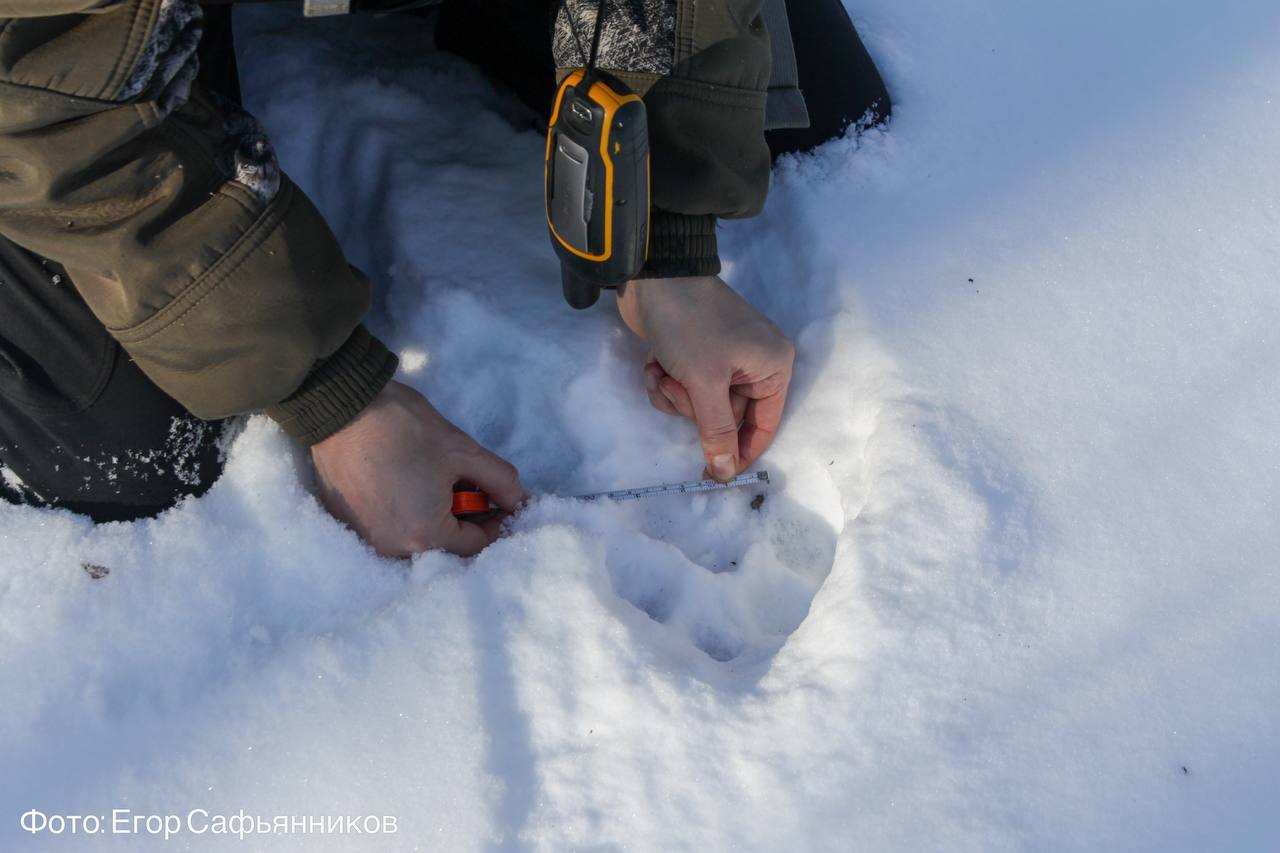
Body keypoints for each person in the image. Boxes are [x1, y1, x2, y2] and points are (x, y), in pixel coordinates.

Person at [0, 0, 888, 557]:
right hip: (58, 52)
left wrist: (661, 230)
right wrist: (329, 391)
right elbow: (52, 108)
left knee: (795, 94)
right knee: (115, 441)